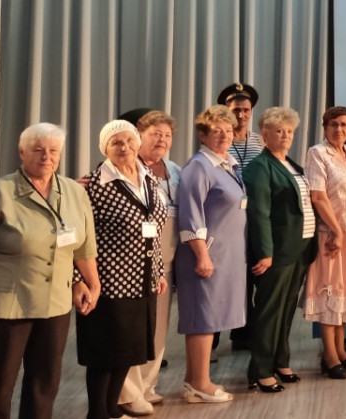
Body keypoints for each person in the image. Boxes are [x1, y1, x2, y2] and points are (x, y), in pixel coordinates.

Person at [0, 124, 98, 419]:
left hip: (56, 302)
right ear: (21, 152)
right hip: (8, 304)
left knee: (45, 381)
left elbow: (84, 245)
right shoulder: (2, 191)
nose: (46, 156)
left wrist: (91, 283)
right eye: (38, 150)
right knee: (0, 382)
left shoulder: (74, 191)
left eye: (53, 150)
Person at [77, 120, 169, 419]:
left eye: (129, 140)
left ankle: (111, 410)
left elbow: (155, 229)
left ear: (137, 144)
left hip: (143, 281)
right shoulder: (94, 185)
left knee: (128, 350)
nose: (124, 147)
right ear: (105, 149)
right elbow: (79, 237)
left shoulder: (149, 178)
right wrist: (80, 280)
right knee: (105, 352)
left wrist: (158, 271)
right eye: (116, 142)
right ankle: (97, 413)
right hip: (107, 283)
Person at [174, 105, 247, 403]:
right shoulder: (199, 167)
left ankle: (193, 382)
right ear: (202, 135)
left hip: (226, 255)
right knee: (203, 318)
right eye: (216, 131)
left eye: (228, 130)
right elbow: (191, 215)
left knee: (209, 317)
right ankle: (202, 383)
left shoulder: (227, 165)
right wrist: (202, 255)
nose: (224, 135)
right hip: (205, 255)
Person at [243, 108, 316, 392]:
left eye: (289, 131)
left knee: (286, 310)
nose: (285, 135)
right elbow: (258, 213)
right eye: (278, 131)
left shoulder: (292, 165)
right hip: (276, 251)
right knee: (269, 311)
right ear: (265, 134)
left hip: (300, 247)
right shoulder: (260, 167)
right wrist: (265, 252)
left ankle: (280, 360)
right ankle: (260, 370)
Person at [117, 111, 182, 415]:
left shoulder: (174, 169)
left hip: (165, 260)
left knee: (158, 327)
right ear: (138, 137)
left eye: (167, 135)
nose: (162, 140)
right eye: (155, 134)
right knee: (133, 329)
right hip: (131, 263)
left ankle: (147, 386)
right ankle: (128, 393)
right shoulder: (127, 169)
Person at [303, 106, 346, 378]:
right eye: (333, 124)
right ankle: (329, 356)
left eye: (343, 124)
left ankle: (341, 350)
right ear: (325, 127)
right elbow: (318, 196)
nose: (339, 129)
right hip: (330, 235)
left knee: (344, 291)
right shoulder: (317, 153)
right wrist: (336, 231)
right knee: (330, 292)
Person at [217, 83, 261, 353]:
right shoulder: (219, 140)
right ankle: (214, 338)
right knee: (228, 277)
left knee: (252, 275)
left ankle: (245, 331)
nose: (241, 115)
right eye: (236, 110)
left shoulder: (260, 140)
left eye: (246, 110)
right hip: (228, 217)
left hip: (255, 217)